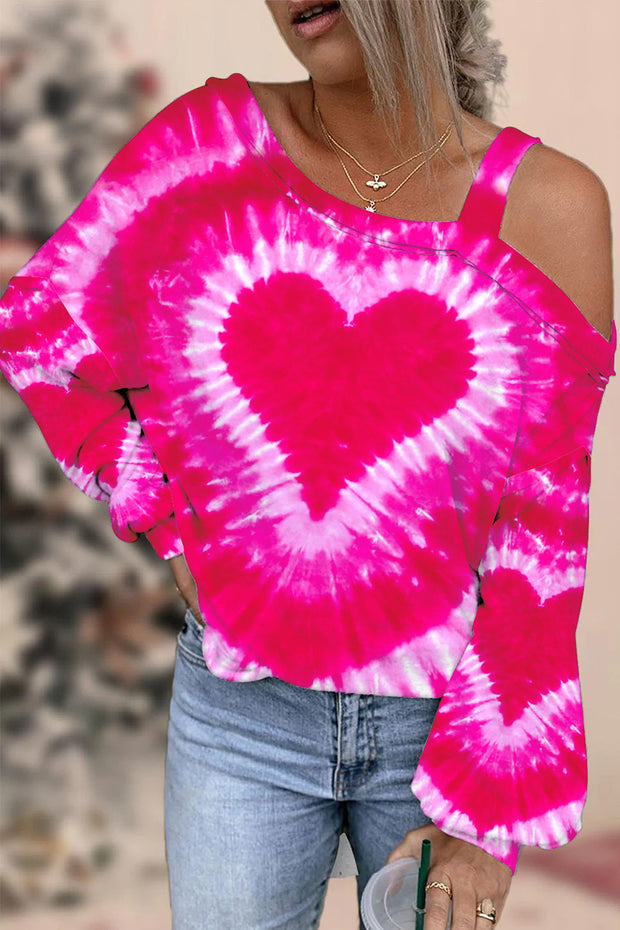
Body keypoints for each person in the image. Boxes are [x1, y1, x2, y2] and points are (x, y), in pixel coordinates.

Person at [0, 1, 615, 928]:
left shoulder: (552, 207)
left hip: (440, 730)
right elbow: (45, 333)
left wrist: (486, 808)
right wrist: (166, 520)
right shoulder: (208, 149)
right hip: (240, 717)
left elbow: (543, 533)